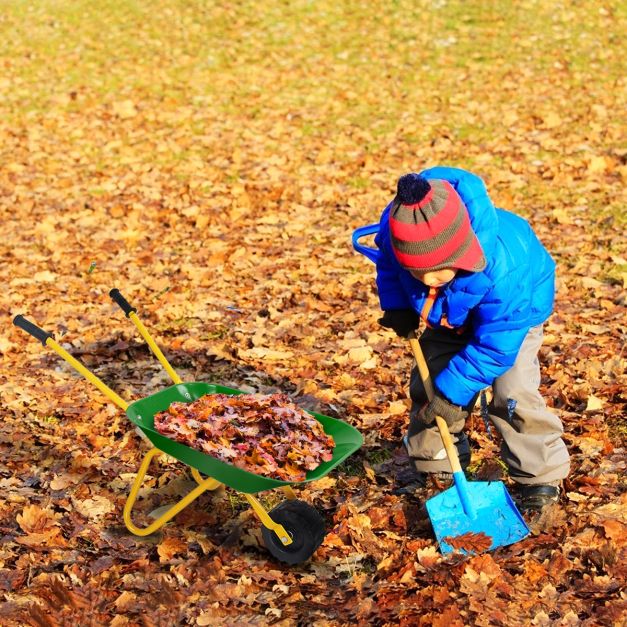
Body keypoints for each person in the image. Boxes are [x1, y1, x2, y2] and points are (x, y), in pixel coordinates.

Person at [371, 166, 570, 512]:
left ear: (463, 252)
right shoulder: (396, 230)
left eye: (440, 269)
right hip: (447, 313)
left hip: (512, 317)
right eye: (420, 272)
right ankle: (439, 464)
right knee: (429, 384)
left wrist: (453, 393)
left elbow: (495, 347)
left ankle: (539, 475)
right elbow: (388, 266)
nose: (430, 279)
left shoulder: (504, 267)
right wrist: (398, 305)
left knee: (513, 392)